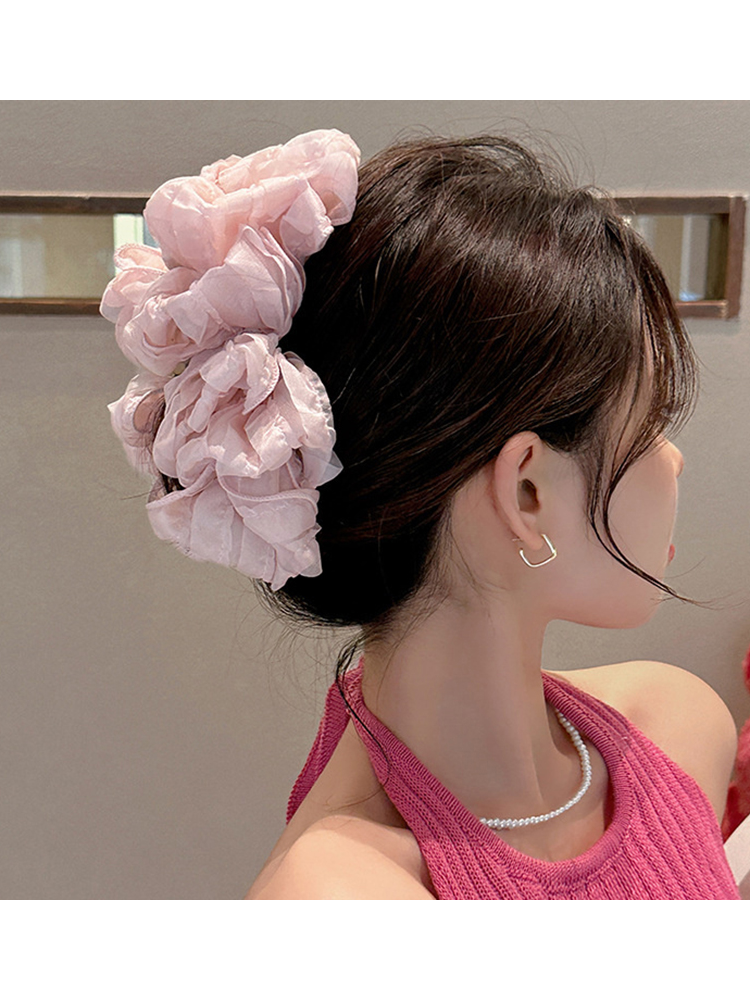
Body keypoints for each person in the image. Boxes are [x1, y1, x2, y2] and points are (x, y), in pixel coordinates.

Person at [103, 128, 741, 900]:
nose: (673, 462)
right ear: (528, 492)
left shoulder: (679, 730)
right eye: (648, 428)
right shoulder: (339, 904)